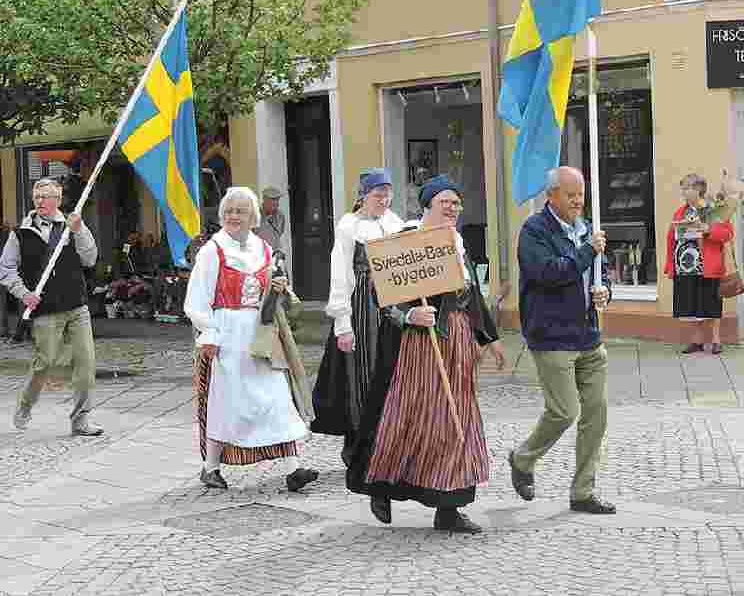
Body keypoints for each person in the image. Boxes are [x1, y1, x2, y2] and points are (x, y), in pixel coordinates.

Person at [347, 174, 505, 534]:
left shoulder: (457, 243)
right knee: (407, 417)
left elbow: (471, 295)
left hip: (456, 342)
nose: (452, 208)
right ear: (428, 205)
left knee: (456, 420)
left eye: (456, 202)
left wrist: (489, 339)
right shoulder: (407, 239)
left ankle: (449, 507)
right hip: (418, 347)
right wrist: (409, 315)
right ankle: (381, 486)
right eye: (444, 201)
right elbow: (380, 293)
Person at [184, 186, 318, 492]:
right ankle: (211, 467)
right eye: (229, 211)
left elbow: (268, 287)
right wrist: (208, 332)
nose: (233, 216)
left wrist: (277, 288)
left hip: (261, 331)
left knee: (276, 397)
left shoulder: (263, 248)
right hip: (227, 330)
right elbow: (196, 298)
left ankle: (294, 468)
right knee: (227, 401)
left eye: (240, 211)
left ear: (252, 216)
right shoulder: (212, 250)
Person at [507, 167, 614, 515]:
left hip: (588, 336)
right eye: (570, 194)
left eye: (581, 193)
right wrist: (588, 252)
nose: (578, 200)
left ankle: (583, 492)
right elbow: (550, 273)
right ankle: (523, 459)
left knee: (595, 415)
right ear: (551, 195)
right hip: (552, 336)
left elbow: (600, 272)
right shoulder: (534, 231)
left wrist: (604, 292)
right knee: (564, 411)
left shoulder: (586, 229)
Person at [311, 169, 404, 464]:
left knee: (392, 371)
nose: (384, 199)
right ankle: (359, 446)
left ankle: (388, 442)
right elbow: (340, 275)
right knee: (363, 374)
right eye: (378, 194)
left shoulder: (395, 223)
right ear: (364, 196)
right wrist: (343, 325)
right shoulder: (349, 226)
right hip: (362, 304)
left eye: (388, 194)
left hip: (393, 303)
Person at [3, 178, 102, 435]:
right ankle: (25, 405)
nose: (40, 201)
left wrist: (79, 230)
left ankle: (80, 420)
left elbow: (90, 258)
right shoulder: (21, 233)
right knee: (44, 363)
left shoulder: (71, 225)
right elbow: (6, 268)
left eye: (46, 196)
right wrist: (23, 294)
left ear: (58, 200)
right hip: (45, 311)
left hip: (76, 306)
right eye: (37, 196)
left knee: (85, 363)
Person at [664, 173, 733, 354]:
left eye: (686, 188)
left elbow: (727, 234)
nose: (683, 192)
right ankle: (697, 340)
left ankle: (716, 340)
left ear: (698, 190)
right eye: (683, 188)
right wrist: (670, 265)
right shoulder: (681, 212)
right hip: (687, 265)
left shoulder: (713, 209)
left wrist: (708, 229)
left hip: (709, 265)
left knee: (712, 303)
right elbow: (671, 237)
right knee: (694, 304)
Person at [253, 186, 286, 254]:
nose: (276, 203)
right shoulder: (255, 216)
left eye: (277, 200)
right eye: (273, 200)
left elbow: (280, 233)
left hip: (275, 254)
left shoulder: (280, 216)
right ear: (265, 200)